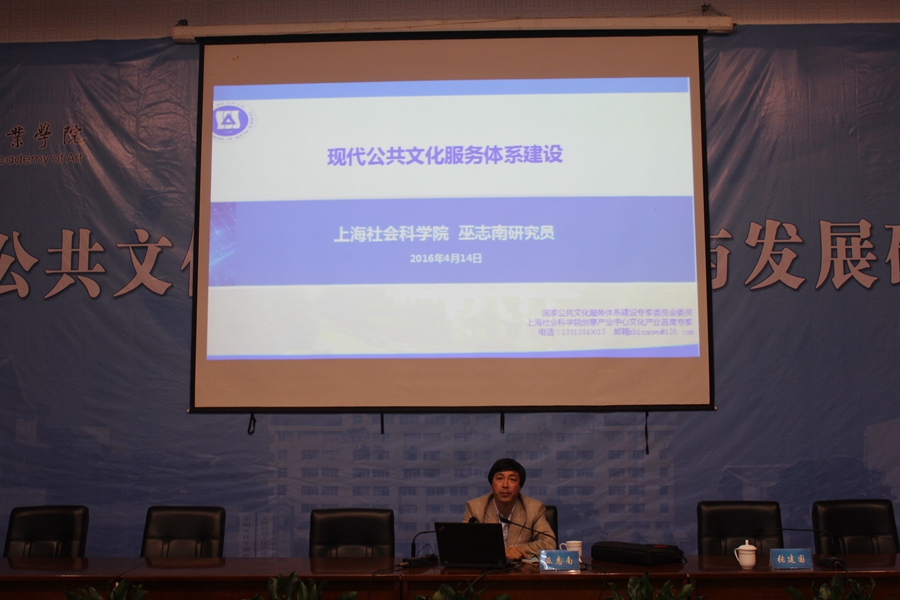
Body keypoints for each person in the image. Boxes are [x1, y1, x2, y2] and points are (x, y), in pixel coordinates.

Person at [462, 458, 556, 560]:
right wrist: (502, 552)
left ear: (520, 487)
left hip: (521, 569)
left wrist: (513, 550)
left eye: (512, 479)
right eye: (500, 479)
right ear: (491, 485)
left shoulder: (534, 509)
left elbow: (549, 543)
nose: (505, 485)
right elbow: (464, 545)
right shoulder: (475, 508)